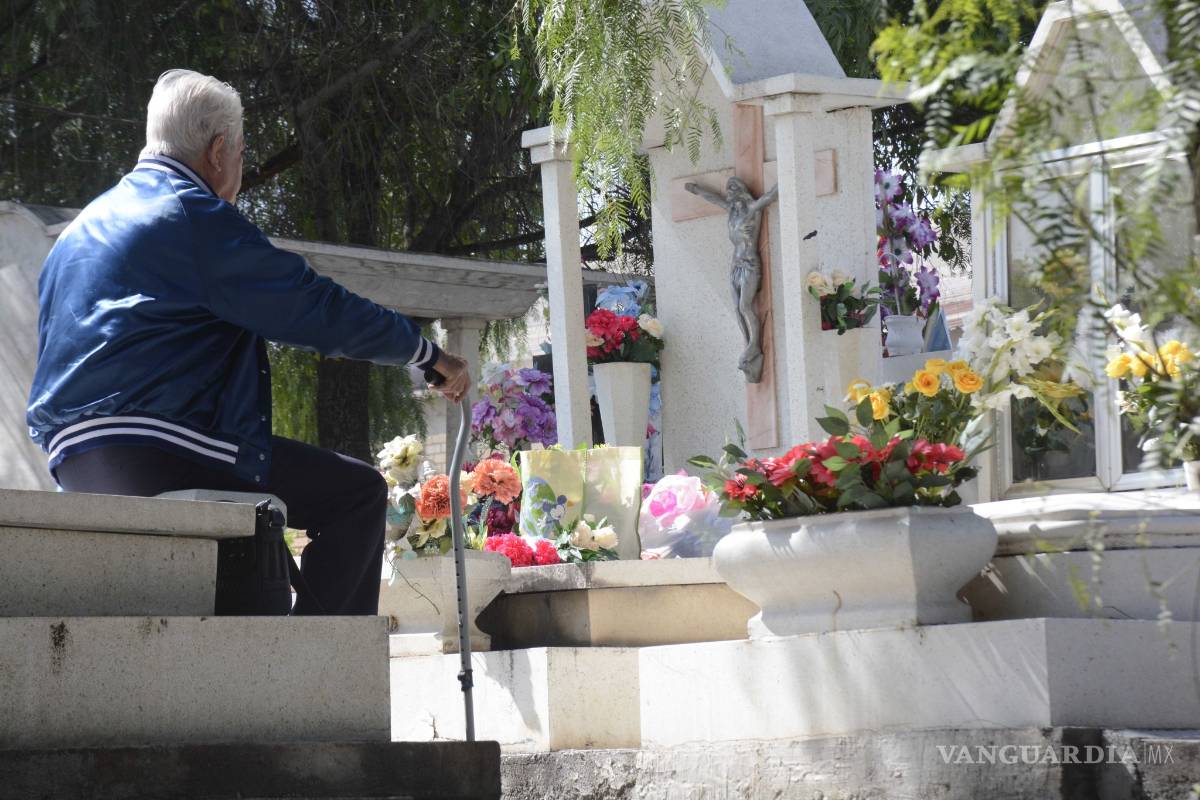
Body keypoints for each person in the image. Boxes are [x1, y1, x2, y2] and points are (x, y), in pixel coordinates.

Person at [25, 69, 471, 615]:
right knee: (357, 494)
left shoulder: (76, 234)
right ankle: (321, 673)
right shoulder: (191, 213)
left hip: (72, 456)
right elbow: (312, 308)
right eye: (240, 153)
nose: (239, 168)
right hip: (162, 446)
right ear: (218, 151)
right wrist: (427, 354)